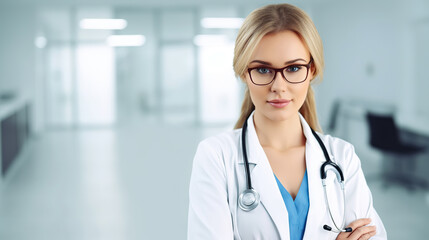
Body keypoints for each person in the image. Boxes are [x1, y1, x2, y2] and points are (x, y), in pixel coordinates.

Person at [188, 3, 387, 240]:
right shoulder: (216, 158)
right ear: (244, 72)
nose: (278, 87)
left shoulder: (341, 158)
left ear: (311, 70)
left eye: (293, 68)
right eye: (263, 70)